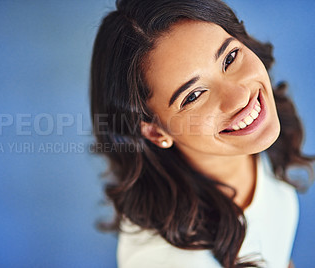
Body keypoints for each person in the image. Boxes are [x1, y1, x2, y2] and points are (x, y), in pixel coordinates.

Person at [89, 0, 314, 267]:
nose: (240, 97)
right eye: (194, 95)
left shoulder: (253, 144)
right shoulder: (166, 261)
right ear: (154, 131)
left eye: (229, 58)